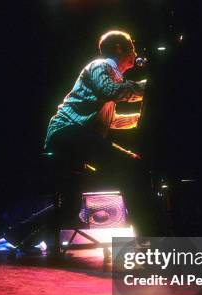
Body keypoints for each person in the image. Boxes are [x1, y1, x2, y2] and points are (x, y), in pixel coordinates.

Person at [45, 30, 161, 237]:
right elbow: (110, 91)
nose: (135, 54)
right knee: (132, 165)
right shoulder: (100, 66)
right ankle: (150, 237)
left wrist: (140, 119)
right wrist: (149, 87)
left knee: (128, 169)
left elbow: (111, 120)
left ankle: (17, 234)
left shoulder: (113, 77)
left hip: (77, 135)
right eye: (132, 48)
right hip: (67, 132)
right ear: (119, 48)